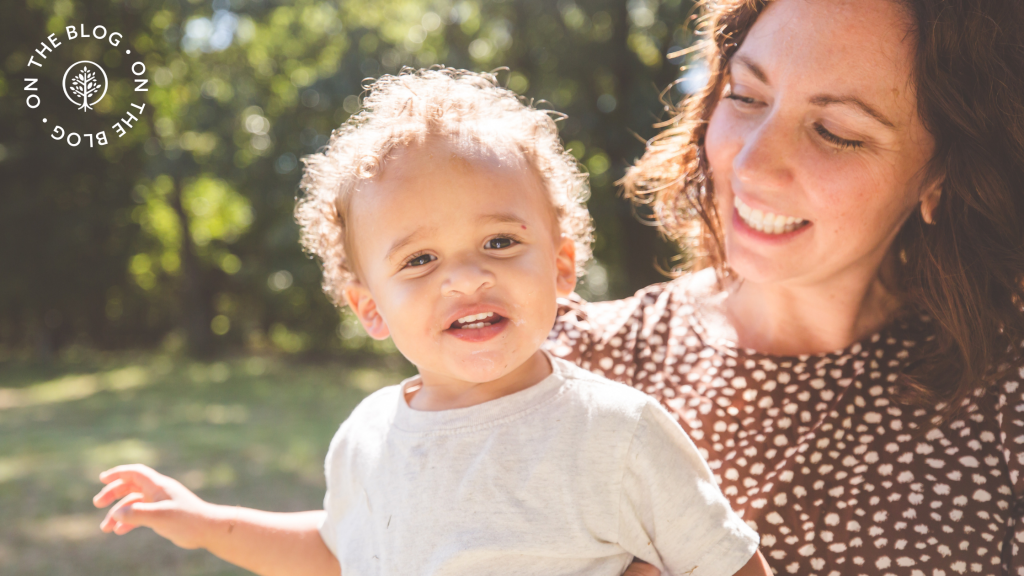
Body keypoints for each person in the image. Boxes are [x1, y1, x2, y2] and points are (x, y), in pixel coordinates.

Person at [92, 68, 771, 576]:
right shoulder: (367, 437)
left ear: (562, 267)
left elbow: (732, 564)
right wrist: (209, 524)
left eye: (500, 242)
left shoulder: (617, 433)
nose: (466, 276)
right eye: (419, 259)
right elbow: (338, 551)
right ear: (370, 308)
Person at [548, 0, 1024, 573]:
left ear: (940, 174)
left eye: (835, 132)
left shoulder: (1004, 391)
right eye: (745, 96)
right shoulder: (563, 365)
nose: (752, 163)